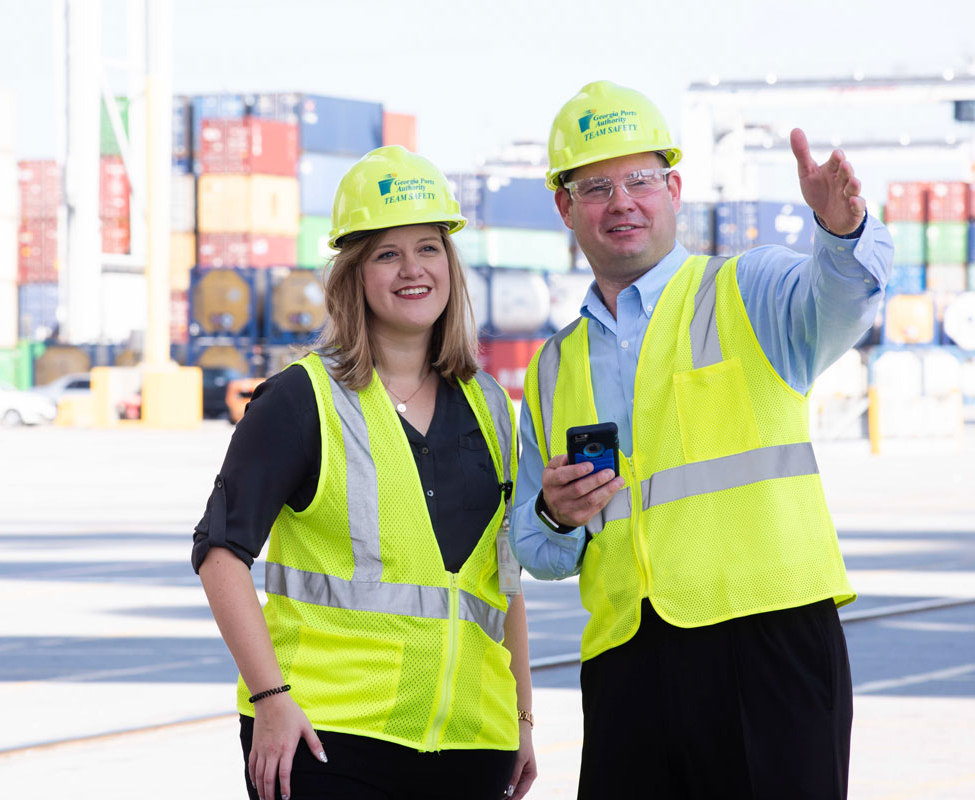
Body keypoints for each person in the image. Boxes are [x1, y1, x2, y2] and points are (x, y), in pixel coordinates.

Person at [511, 81, 894, 799]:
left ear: (674, 188)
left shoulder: (749, 289)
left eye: (640, 180)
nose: (622, 202)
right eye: (596, 187)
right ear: (565, 207)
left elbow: (844, 300)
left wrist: (843, 233)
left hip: (767, 643)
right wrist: (554, 516)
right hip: (627, 663)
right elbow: (536, 550)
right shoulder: (552, 366)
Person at [193, 145, 537, 800]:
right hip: (330, 737)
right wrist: (269, 698)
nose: (413, 270)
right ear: (354, 272)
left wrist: (521, 718)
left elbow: (504, 584)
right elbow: (219, 554)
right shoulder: (301, 400)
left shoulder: (492, 405)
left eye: (429, 248)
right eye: (387, 253)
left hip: (473, 741)